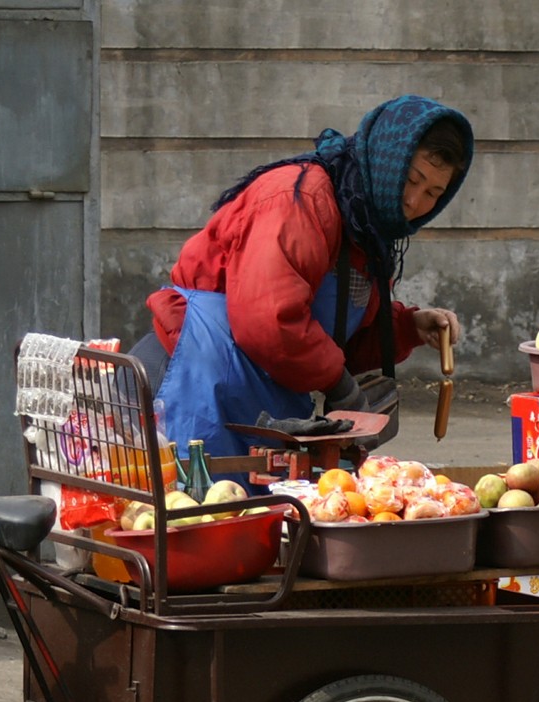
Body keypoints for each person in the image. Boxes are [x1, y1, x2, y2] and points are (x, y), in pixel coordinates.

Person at [127, 94, 473, 465]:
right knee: (189, 506)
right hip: (189, 381)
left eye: (433, 194)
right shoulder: (300, 199)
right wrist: (340, 385)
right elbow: (270, 321)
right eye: (411, 179)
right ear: (387, 157)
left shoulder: (367, 232)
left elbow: (335, 340)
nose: (414, 201)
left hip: (255, 396)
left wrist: (406, 327)